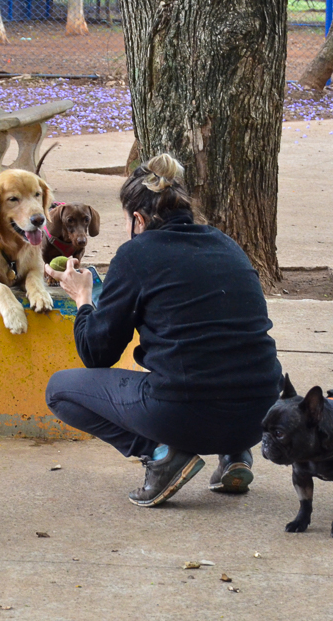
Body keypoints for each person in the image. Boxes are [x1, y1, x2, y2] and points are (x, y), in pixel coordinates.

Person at [44, 154, 283, 507]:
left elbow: (96, 354)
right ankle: (235, 454)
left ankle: (161, 455)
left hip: (186, 414)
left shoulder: (136, 254)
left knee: (59, 390)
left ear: (138, 219)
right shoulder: (228, 245)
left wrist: (82, 299)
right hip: (260, 415)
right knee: (222, 354)